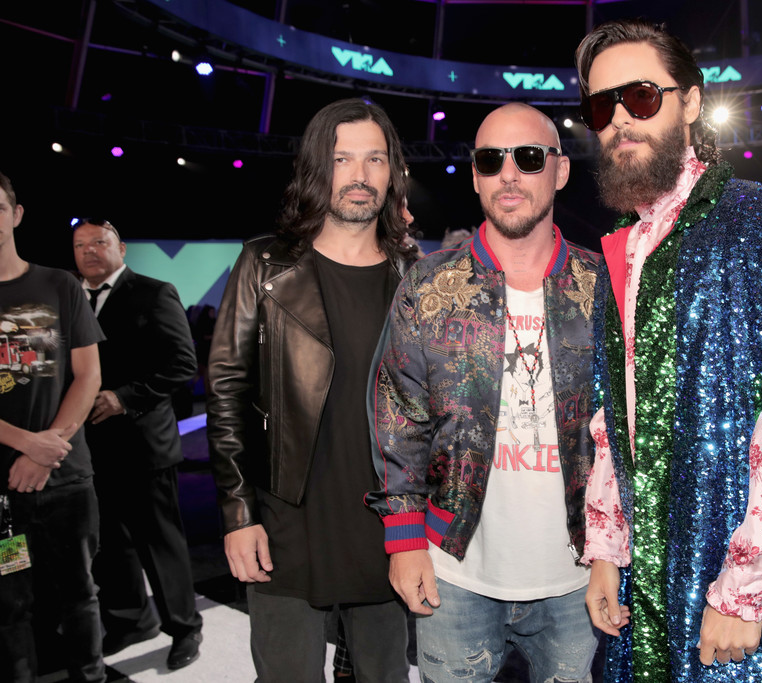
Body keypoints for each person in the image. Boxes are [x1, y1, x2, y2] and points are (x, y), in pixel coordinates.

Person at [574, 20, 762, 681]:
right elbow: (613, 413)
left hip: (727, 582)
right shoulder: (623, 245)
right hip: (643, 577)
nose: (619, 120)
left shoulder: (758, 220)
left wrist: (744, 585)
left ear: (690, 102)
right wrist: (605, 547)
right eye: (601, 107)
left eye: (640, 97)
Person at [368, 103, 604, 682]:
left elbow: (628, 431)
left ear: (560, 170)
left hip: (578, 576)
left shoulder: (603, 288)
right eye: (491, 159)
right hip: (455, 573)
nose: (509, 174)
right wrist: (404, 539)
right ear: (475, 176)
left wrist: (616, 550)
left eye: (529, 157)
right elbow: (398, 415)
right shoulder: (429, 285)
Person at [206, 99, 414, 681]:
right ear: (316, 168)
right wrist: (238, 513)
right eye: (342, 158)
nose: (359, 174)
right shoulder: (264, 264)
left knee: (386, 675)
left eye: (375, 159)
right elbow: (226, 391)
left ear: (392, 172)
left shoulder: (414, 275)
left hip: (386, 527)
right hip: (284, 523)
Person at [71, 218, 203, 669]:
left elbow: (182, 363)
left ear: (121, 248)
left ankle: (184, 627)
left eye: (99, 242)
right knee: (109, 543)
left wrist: (124, 398)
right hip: (88, 446)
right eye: (80, 244)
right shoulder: (69, 298)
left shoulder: (153, 291)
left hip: (144, 442)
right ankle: (130, 620)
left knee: (160, 542)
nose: (90, 251)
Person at [0, 172, 106, 682]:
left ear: (16, 214)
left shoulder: (60, 285)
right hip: (4, 489)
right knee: (9, 603)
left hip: (66, 481)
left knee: (79, 595)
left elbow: (89, 376)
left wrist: (48, 451)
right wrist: (27, 446)